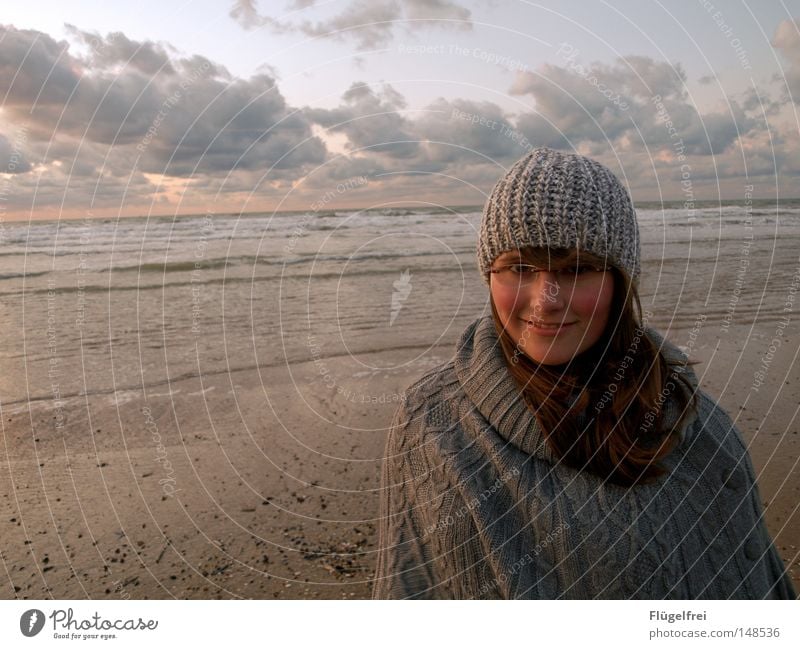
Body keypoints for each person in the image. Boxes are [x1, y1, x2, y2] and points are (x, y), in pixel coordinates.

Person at [372, 147, 796, 599]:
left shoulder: (683, 404)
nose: (546, 299)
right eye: (519, 267)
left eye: (577, 269)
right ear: (488, 273)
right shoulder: (437, 425)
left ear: (619, 279)